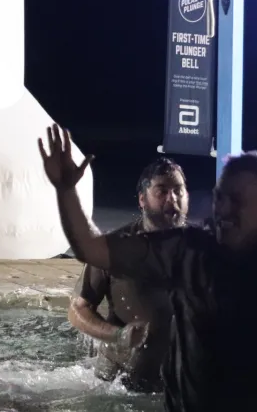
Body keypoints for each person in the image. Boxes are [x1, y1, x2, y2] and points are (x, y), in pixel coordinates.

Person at [38, 124, 257, 411]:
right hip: (126, 390)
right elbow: (87, 253)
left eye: (239, 200)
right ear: (142, 199)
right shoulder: (184, 248)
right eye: (222, 197)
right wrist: (66, 190)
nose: (226, 209)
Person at [68, 157, 188, 392]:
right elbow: (77, 309)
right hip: (117, 387)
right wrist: (118, 335)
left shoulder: (200, 249)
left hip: (174, 387)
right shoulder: (113, 249)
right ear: (142, 200)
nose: (172, 199)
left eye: (178, 190)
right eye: (162, 191)